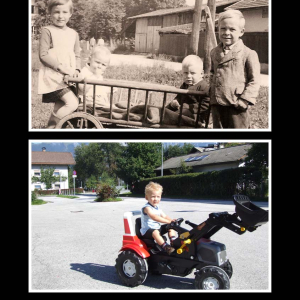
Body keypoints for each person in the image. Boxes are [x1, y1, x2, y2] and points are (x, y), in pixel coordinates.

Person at [210, 9, 260, 129]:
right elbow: (213, 73)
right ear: (218, 29)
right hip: (217, 103)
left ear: (241, 32)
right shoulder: (214, 52)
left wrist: (244, 100)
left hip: (236, 104)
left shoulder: (248, 54)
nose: (226, 32)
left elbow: (255, 80)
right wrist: (211, 93)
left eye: (232, 29)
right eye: (223, 28)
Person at [38, 0, 81, 128]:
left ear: (70, 14)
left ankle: (51, 128)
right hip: (54, 76)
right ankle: (53, 127)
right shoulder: (47, 31)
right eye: (56, 12)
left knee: (60, 105)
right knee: (72, 103)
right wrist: (61, 68)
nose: (60, 16)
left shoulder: (74, 34)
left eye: (64, 12)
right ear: (50, 13)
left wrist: (77, 70)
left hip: (70, 77)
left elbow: (77, 55)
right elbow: (43, 55)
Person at [166, 55, 210, 127]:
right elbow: (179, 97)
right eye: (186, 73)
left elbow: (206, 104)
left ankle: (164, 118)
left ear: (201, 74)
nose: (188, 76)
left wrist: (187, 107)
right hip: (182, 111)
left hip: (196, 115)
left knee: (176, 115)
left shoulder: (203, 86)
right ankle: (158, 112)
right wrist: (175, 101)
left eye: (192, 73)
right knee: (168, 109)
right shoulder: (184, 85)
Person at [140, 182, 177, 255]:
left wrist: (171, 221)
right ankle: (166, 247)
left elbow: (165, 216)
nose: (156, 199)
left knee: (171, 227)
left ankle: (174, 242)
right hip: (147, 231)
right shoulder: (147, 208)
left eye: (158, 196)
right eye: (153, 196)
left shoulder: (157, 208)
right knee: (155, 232)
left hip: (156, 228)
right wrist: (167, 221)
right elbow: (154, 217)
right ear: (147, 197)